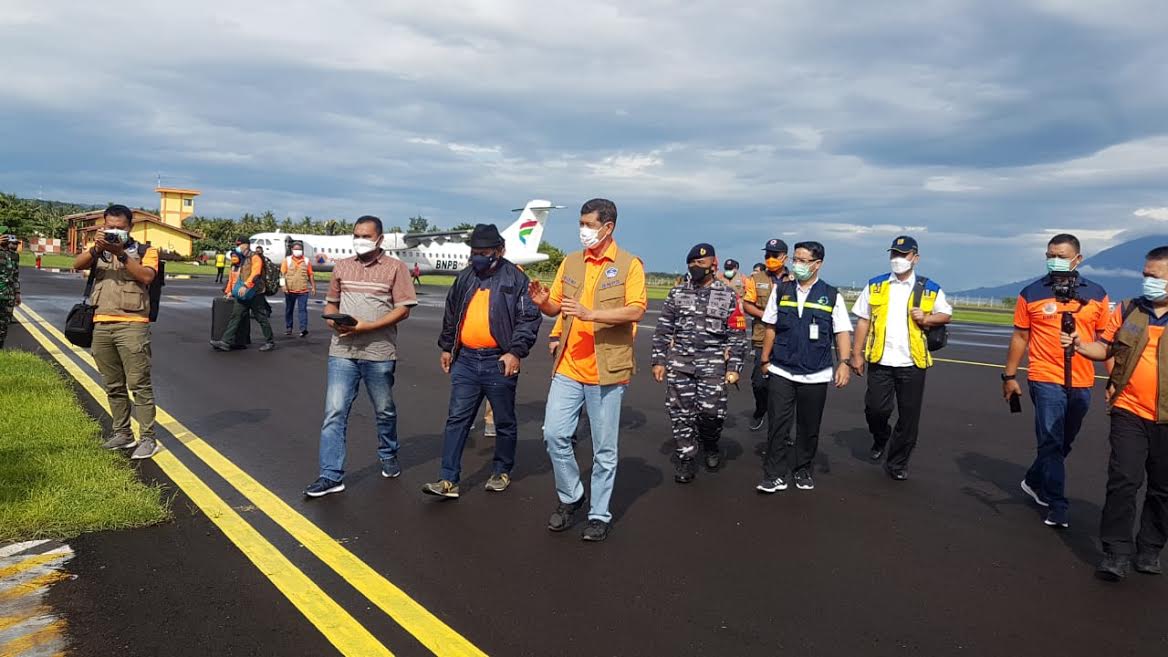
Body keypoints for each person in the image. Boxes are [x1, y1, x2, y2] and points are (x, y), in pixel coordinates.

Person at [529, 198, 646, 542]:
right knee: (553, 434)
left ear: (608, 227)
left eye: (589, 225)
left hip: (607, 370)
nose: (583, 231)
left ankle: (599, 513)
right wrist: (542, 303)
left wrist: (590, 314)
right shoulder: (571, 262)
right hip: (569, 365)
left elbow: (636, 310)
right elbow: (556, 307)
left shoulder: (629, 265)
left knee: (604, 449)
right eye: (581, 224)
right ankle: (572, 496)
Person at [1064, 246, 1168, 581]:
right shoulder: (1127, 310)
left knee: (1162, 487)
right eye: (1145, 275)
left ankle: (1150, 548)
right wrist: (1080, 345)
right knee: (1124, 479)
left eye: (1156, 276)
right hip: (1129, 409)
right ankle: (1116, 552)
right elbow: (1104, 348)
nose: (1148, 281)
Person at [422, 224, 542, 499]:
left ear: (499, 251)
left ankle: (501, 470)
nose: (478, 257)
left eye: (484, 252)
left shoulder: (515, 279)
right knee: (457, 419)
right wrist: (447, 347)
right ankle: (448, 479)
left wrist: (515, 352)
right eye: (474, 252)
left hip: (498, 361)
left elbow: (528, 319)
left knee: (504, 420)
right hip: (465, 359)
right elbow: (452, 313)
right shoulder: (466, 277)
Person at [304, 216, 418, 498]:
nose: (360, 240)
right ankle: (330, 475)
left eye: (366, 236)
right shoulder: (342, 267)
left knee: (384, 410)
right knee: (334, 412)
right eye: (356, 235)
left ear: (379, 239)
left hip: (379, 353)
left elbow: (403, 309)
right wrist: (333, 321)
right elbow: (331, 303)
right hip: (342, 351)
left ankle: (388, 453)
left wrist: (368, 326)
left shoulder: (396, 268)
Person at [1003, 233, 1110, 528]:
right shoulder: (1032, 293)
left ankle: (1035, 479)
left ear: (1077, 258)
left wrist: (1114, 380)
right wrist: (1009, 376)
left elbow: (1106, 340)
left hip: (1082, 379)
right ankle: (1057, 503)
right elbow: (1021, 336)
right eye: (1050, 254)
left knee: (1065, 439)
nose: (1055, 259)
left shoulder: (1097, 294)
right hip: (1044, 376)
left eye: (1061, 255)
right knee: (1050, 440)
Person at [850, 236, 953, 480]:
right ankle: (881, 436)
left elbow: (946, 314)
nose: (897, 259)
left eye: (903, 255)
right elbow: (863, 319)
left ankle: (897, 463)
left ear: (915, 258)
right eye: (894, 254)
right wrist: (856, 353)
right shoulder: (875, 286)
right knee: (875, 409)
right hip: (880, 359)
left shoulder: (929, 288)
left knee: (909, 417)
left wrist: (927, 319)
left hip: (912, 362)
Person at [757, 241, 853, 493]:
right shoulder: (782, 290)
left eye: (803, 260)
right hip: (781, 369)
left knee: (808, 425)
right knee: (778, 423)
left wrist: (844, 363)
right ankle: (774, 474)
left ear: (817, 264)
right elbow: (770, 327)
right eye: (795, 260)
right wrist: (764, 360)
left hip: (816, 372)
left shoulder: (832, 295)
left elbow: (842, 331)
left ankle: (802, 470)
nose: (797, 265)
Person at [651, 243, 749, 483]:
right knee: (680, 413)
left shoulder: (727, 295)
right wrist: (659, 360)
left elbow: (737, 336)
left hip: (713, 363)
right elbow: (663, 329)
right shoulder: (677, 293)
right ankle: (686, 457)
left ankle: (711, 443)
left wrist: (734, 367)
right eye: (692, 264)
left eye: (701, 264)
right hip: (680, 363)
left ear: (713, 265)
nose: (695, 267)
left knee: (711, 413)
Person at [71, 205, 161, 459]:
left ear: (130, 227)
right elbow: (77, 265)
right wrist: (98, 248)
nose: (114, 232)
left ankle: (148, 437)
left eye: (119, 228)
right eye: (109, 227)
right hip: (101, 323)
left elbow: (146, 276)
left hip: (133, 324)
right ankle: (122, 433)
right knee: (113, 384)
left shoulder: (145, 251)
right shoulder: (97, 249)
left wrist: (121, 254)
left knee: (139, 384)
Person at [742, 239, 792, 431]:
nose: (770, 259)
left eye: (774, 255)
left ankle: (782, 427)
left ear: (784, 257)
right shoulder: (757, 279)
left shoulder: (794, 279)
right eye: (767, 255)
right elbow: (747, 304)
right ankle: (760, 408)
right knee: (759, 382)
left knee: (785, 386)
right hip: (762, 337)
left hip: (787, 339)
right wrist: (767, 316)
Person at [210, 237, 276, 352]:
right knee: (236, 316)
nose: (238, 247)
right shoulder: (243, 259)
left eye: (240, 245)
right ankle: (225, 342)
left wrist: (246, 286)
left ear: (246, 245)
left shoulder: (255, 257)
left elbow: (256, 273)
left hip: (255, 293)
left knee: (261, 317)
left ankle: (270, 341)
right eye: (237, 245)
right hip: (243, 294)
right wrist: (231, 291)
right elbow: (237, 276)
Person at [282, 240, 316, 337]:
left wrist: (313, 286)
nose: (298, 251)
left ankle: (303, 329)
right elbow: (282, 274)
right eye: (296, 249)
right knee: (289, 309)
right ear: (292, 249)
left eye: (300, 249)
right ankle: (289, 327)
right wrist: (283, 286)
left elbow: (310, 274)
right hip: (290, 290)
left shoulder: (306, 260)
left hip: (303, 290)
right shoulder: (287, 260)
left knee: (303, 310)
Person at [0, 231, 21, 348]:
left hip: (8, 294)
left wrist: (17, 293)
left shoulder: (14, 256)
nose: (14, 246)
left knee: (4, 325)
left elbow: (15, 275)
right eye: (12, 243)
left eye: (15, 244)